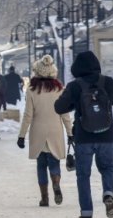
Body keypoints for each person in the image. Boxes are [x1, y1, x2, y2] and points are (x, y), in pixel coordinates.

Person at [54, 51, 113, 218]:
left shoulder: (75, 86)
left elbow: (59, 108)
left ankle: (86, 212)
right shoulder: (108, 82)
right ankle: (109, 193)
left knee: (83, 174)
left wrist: (75, 103)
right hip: (106, 134)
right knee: (108, 168)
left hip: (84, 136)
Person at [17, 55, 73, 208]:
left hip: (38, 132)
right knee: (54, 162)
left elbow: (28, 115)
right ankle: (56, 182)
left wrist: (21, 136)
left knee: (41, 165)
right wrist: (70, 133)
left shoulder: (32, 90)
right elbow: (65, 114)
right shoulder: (59, 89)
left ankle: (45, 198)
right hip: (55, 130)